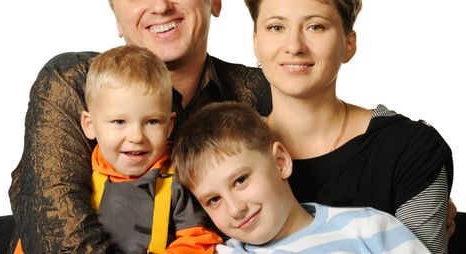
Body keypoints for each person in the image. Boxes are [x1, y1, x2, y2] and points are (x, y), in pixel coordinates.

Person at [8, 0, 270, 253]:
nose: (160, 5)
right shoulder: (73, 81)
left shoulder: (255, 90)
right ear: (118, 19)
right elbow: (58, 230)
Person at [242, 0, 454, 254]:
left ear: (348, 44)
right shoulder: (224, 151)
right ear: (256, 43)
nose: (294, 45)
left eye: (315, 26)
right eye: (276, 27)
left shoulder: (410, 149)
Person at [172, 101, 430, 253]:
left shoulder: (369, 228)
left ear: (280, 162)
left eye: (240, 180)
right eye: (213, 200)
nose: (235, 209)